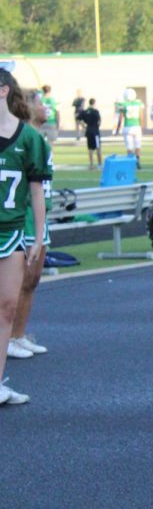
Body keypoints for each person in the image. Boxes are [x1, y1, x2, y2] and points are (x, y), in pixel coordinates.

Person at [0, 63, 52, 405]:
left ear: (4, 90)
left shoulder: (30, 138)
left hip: (11, 231)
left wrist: (39, 235)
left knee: (6, 306)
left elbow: (37, 191)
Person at [7, 90, 52, 361]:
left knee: (33, 280)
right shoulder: (20, 137)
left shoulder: (37, 137)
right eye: (40, 103)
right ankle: (9, 335)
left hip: (40, 215)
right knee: (18, 280)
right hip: (21, 215)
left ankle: (19, 334)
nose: (45, 107)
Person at [114, 88, 144, 169]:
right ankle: (137, 160)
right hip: (136, 126)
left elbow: (121, 118)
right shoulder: (138, 103)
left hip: (127, 126)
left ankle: (131, 163)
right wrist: (141, 126)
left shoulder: (123, 104)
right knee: (137, 146)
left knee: (129, 147)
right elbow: (141, 116)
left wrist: (117, 129)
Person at [81, 98, 102, 169]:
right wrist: (97, 126)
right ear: (94, 103)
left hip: (88, 131)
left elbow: (80, 119)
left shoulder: (85, 111)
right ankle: (99, 163)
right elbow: (99, 121)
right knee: (98, 148)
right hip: (95, 131)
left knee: (90, 148)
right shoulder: (95, 111)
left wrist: (84, 127)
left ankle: (91, 163)